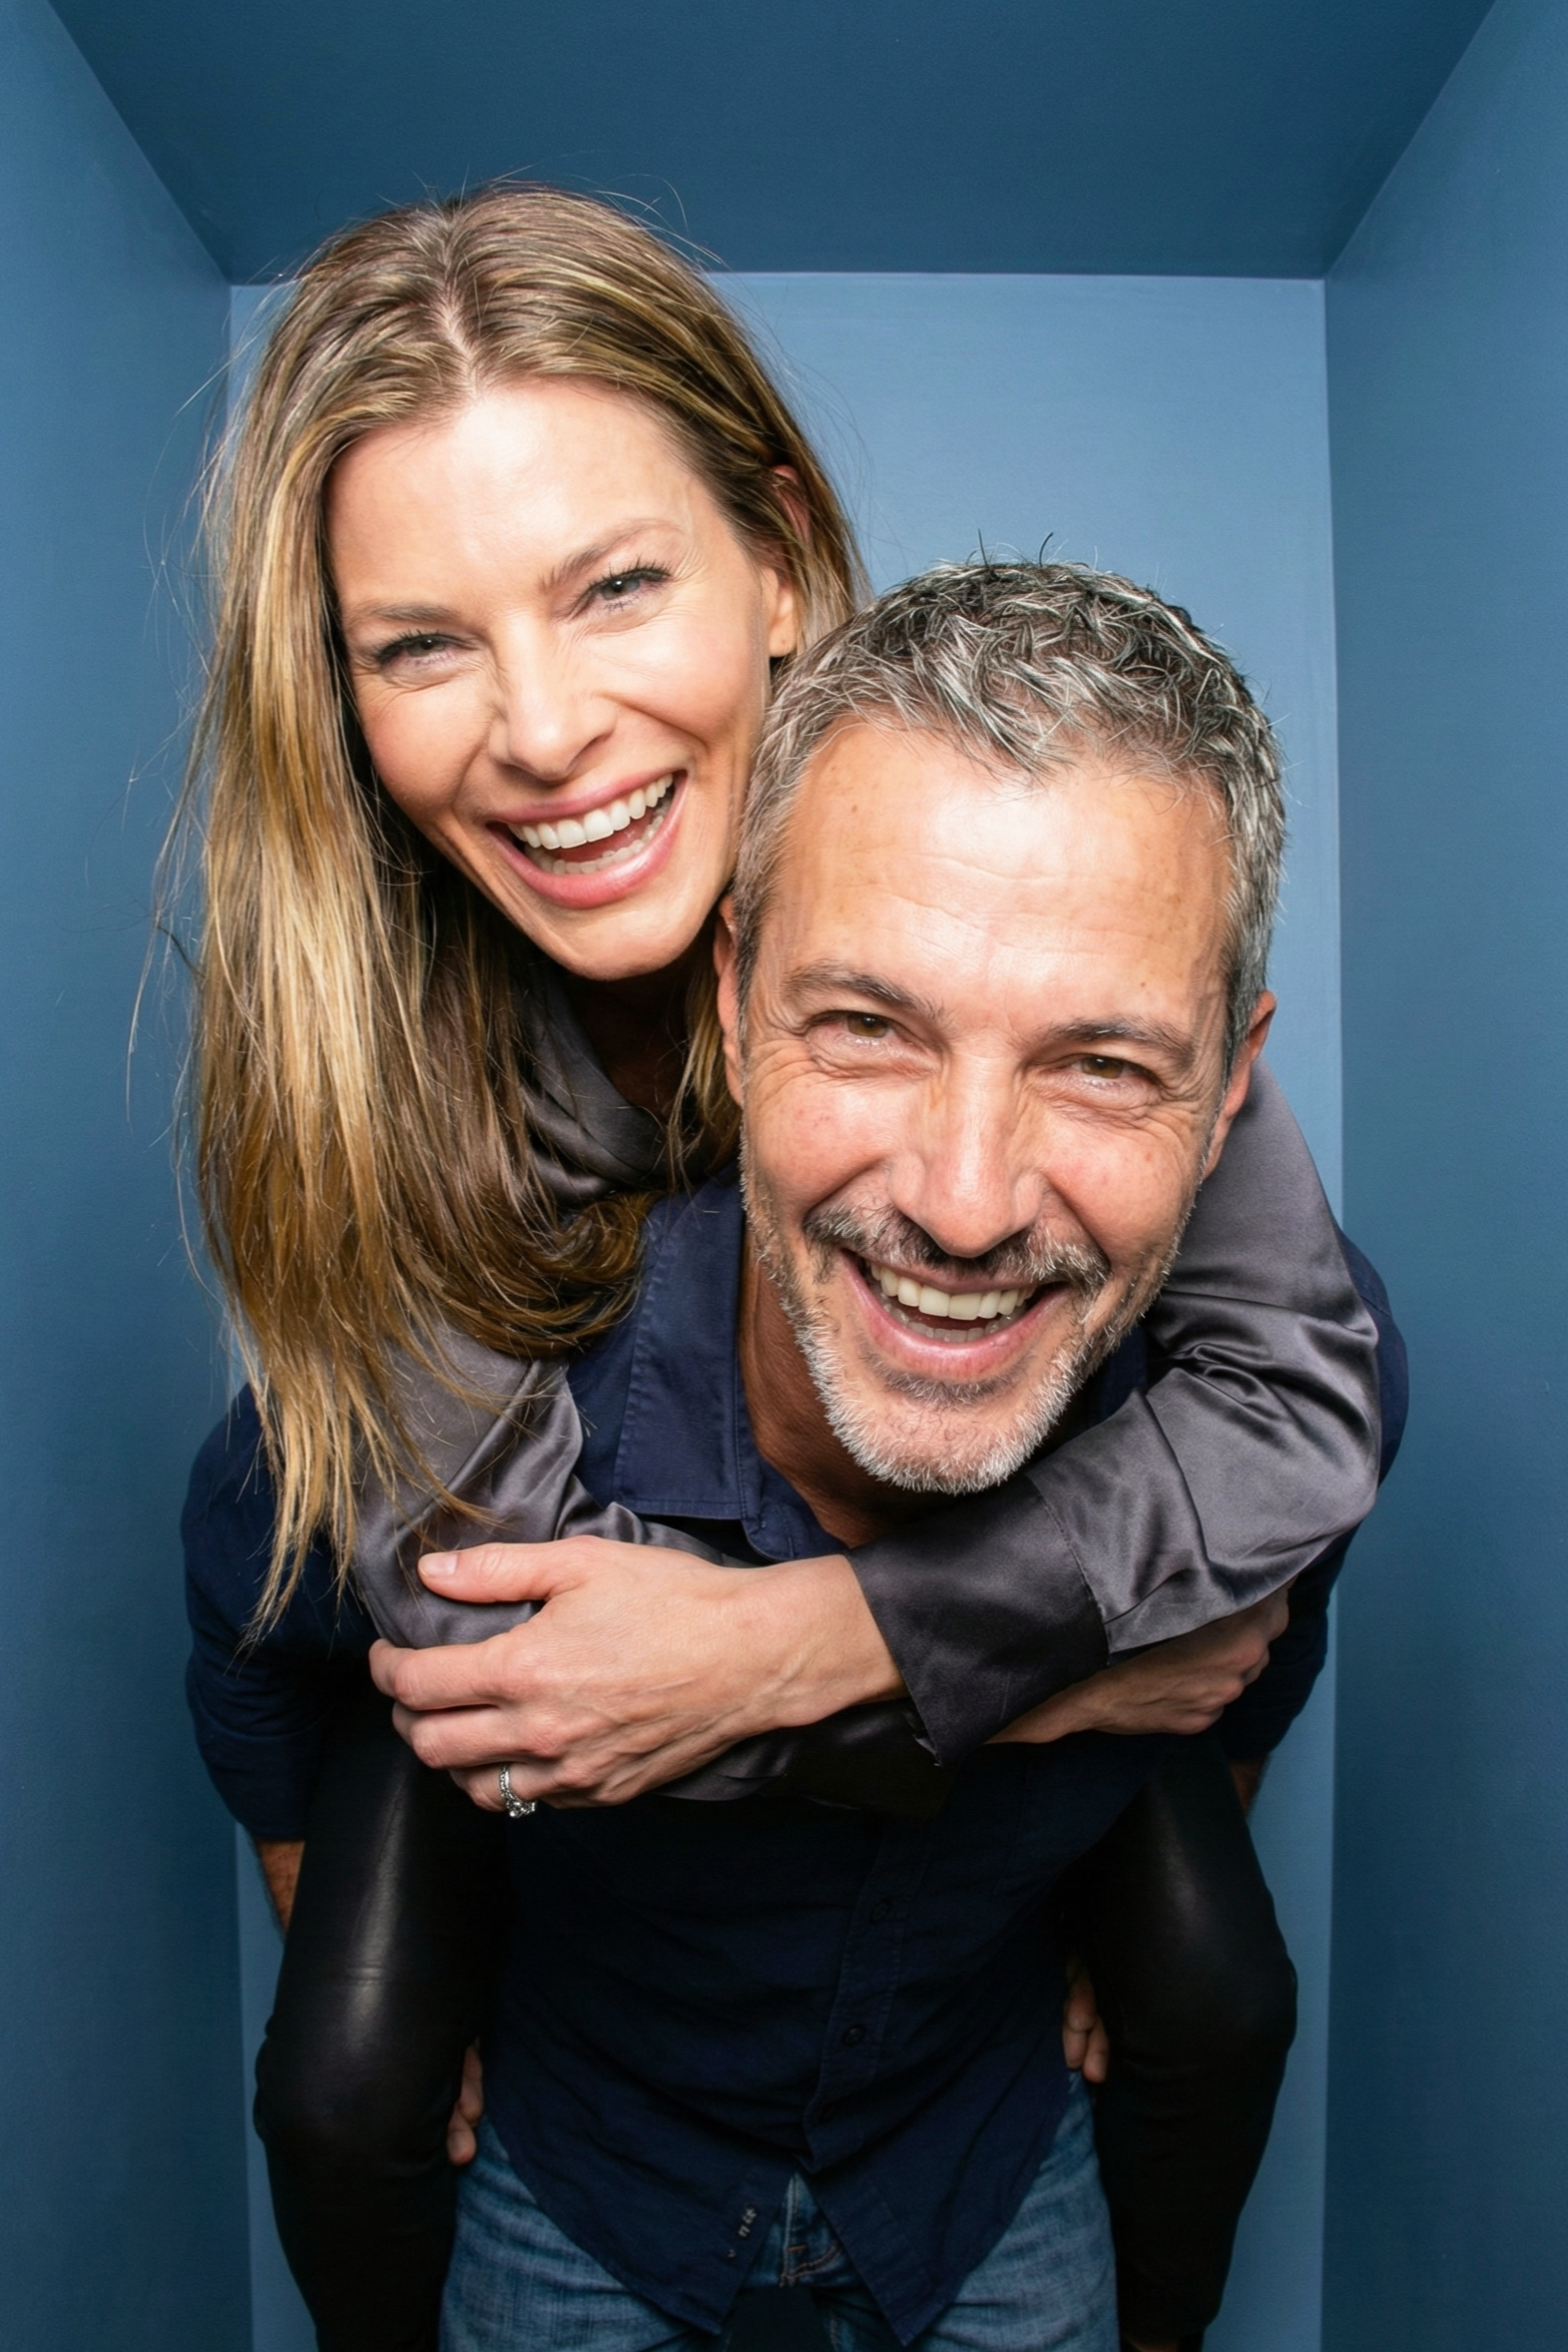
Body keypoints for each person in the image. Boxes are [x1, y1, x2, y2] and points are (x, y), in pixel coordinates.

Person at [179, 189, 1390, 2352]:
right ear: (340, 699)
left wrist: (818, 1637)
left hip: (940, 2044)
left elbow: (1293, 1412)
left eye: (613, 584)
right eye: (421, 643)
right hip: (610, 1984)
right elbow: (556, 1690)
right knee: (345, 2066)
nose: (540, 728)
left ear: (778, 563)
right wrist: (1064, 1680)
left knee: (1218, 1970)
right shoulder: (360, 1078)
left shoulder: (996, 863)